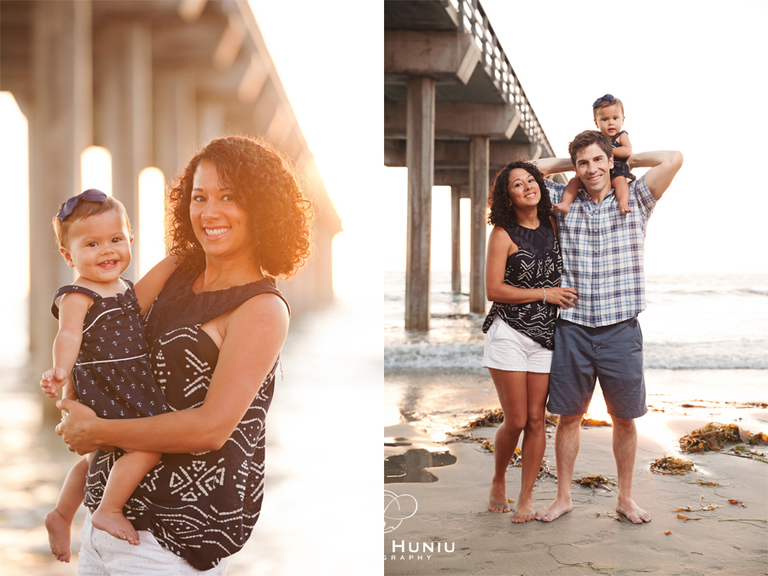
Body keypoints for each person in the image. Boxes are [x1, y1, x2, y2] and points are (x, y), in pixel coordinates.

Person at [51, 135, 312, 573]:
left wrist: (100, 429)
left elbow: (210, 429)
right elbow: (111, 321)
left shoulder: (262, 309)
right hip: (100, 525)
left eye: (229, 197)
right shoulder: (177, 267)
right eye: (199, 197)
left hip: (168, 542)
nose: (209, 212)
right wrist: (68, 379)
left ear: (262, 207)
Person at [533, 130, 683, 524]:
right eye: (583, 163)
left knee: (625, 418)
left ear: (609, 160)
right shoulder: (563, 206)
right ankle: (563, 497)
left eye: (598, 160)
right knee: (568, 417)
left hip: (621, 328)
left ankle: (626, 498)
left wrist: (621, 160)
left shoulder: (635, 197)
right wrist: (573, 164)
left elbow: (673, 157)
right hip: (573, 329)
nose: (591, 168)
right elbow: (525, 171)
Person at [41, 190, 170, 562]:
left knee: (100, 455)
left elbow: (156, 286)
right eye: (92, 243)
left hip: (129, 383)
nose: (107, 250)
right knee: (148, 445)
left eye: (116, 239)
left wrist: (180, 259)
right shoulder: (78, 294)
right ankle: (108, 509)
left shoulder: (127, 289)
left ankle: (62, 514)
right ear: (69, 256)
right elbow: (68, 335)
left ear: (131, 240)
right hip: (108, 386)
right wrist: (61, 371)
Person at [481, 161, 578, 522]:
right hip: (508, 332)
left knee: (538, 420)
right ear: (508, 197)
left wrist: (570, 160)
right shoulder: (503, 233)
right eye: (516, 185)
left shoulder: (555, 223)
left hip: (546, 337)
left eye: (530, 181)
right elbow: (494, 290)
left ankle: (526, 496)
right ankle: (498, 478)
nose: (526, 187)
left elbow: (559, 171)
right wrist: (544, 294)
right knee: (518, 419)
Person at [552, 94, 633, 215]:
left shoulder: (621, 136)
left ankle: (623, 203)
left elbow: (627, 151)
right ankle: (565, 203)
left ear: (623, 119)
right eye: (605, 119)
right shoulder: (596, 139)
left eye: (615, 118)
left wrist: (606, 151)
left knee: (620, 182)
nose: (610, 123)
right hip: (598, 174)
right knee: (574, 182)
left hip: (617, 169)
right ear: (596, 123)